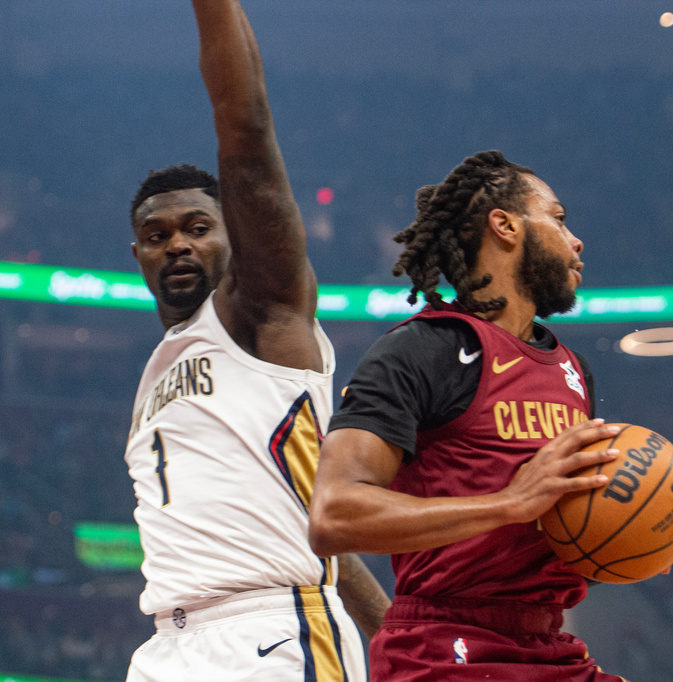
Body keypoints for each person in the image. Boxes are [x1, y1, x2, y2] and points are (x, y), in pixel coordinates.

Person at [309, 151, 673, 680]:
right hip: (446, 647)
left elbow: (559, 539)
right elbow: (334, 515)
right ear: (505, 225)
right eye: (558, 219)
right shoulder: (423, 350)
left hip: (549, 643)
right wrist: (509, 502)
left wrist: (648, 540)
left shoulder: (571, 368)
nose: (576, 240)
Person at [123, 2, 388, 681]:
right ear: (139, 256)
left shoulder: (263, 315)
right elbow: (304, 515)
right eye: (158, 236)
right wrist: (389, 630)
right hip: (169, 643)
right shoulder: (159, 371)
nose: (178, 243)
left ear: (236, 236)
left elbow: (244, 123)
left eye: (198, 227)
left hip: (272, 632)